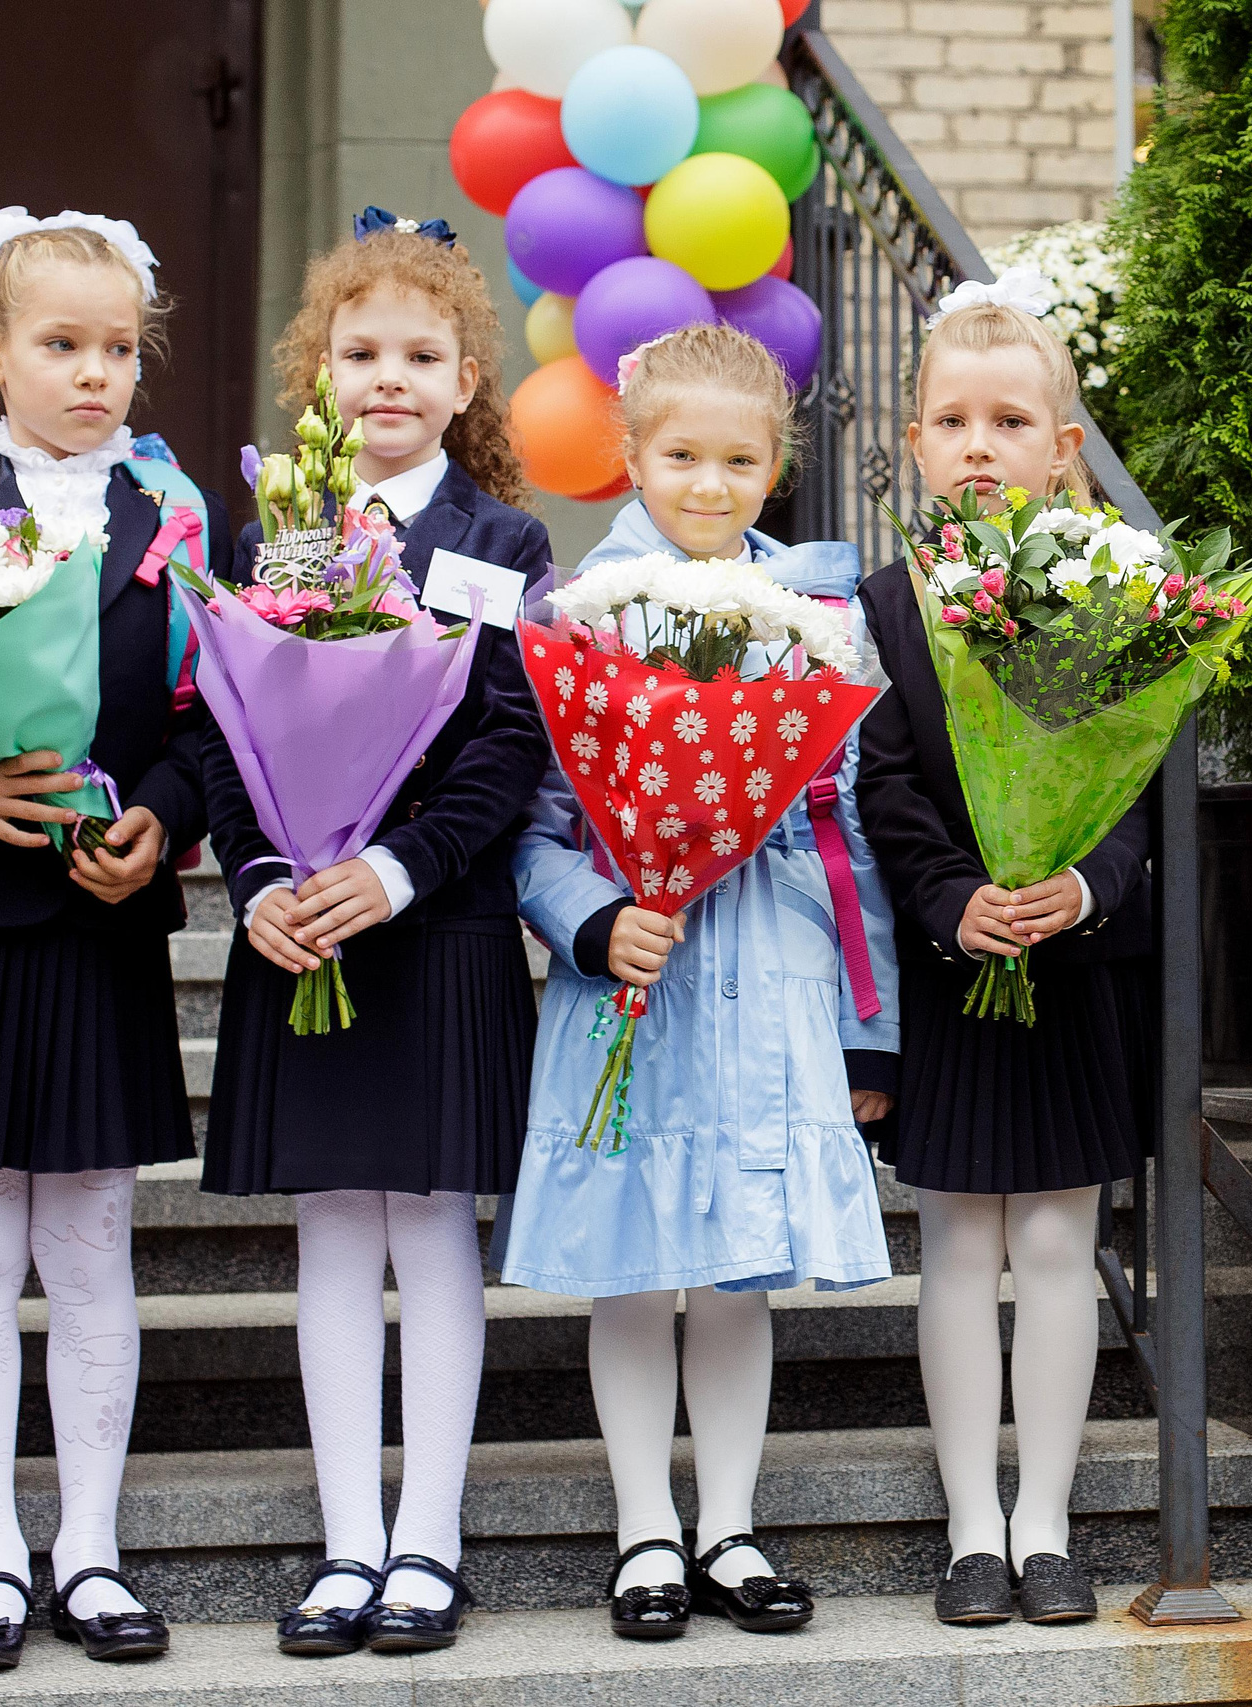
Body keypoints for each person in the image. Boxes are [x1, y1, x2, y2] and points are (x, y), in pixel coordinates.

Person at [0, 207, 231, 1672]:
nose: (95, 373)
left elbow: (223, 717)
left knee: (88, 1246)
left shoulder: (179, 519)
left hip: (102, 922)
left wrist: (164, 821)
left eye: (119, 349)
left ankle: (89, 1550)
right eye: (62, 345)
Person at [499, 323, 897, 1642]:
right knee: (634, 1264)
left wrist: (869, 1023)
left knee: (737, 1267)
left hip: (768, 980)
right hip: (634, 980)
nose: (710, 485)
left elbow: (839, 830)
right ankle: (644, 1533)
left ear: (777, 465)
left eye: (739, 460)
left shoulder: (816, 620)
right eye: (681, 456)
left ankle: (727, 1523)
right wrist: (597, 915)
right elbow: (540, 826)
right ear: (629, 455)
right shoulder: (578, 617)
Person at [199, 209, 548, 1657]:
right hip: (302, 935)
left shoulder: (502, 540)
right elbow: (218, 725)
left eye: (421, 354)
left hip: (438, 928)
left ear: (467, 381)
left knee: (435, 1241)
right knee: (333, 1237)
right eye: (360, 352)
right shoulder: (271, 528)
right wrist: (264, 877)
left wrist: (399, 874)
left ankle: (429, 1542)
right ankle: (348, 1546)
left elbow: (509, 741)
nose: (387, 378)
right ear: (316, 372)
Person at [855, 277, 1153, 1627]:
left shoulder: (1115, 597)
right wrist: (951, 900)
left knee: (1056, 1244)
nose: (980, 446)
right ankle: (972, 1526)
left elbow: (1137, 789)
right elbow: (888, 783)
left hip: (1073, 973)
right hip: (950, 966)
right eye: (953, 421)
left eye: (1010, 421)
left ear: (1062, 446)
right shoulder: (886, 602)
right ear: (916, 445)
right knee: (959, 1250)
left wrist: (1080, 889)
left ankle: (1048, 1526)